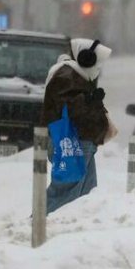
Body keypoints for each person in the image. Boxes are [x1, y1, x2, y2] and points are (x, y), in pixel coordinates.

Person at [42, 38, 115, 213]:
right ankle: (36, 226)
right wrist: (90, 100)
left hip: (81, 142)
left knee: (84, 198)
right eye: (97, 62)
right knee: (64, 196)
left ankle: (69, 231)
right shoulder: (66, 75)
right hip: (72, 141)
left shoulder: (74, 75)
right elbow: (67, 106)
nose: (98, 68)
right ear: (86, 58)